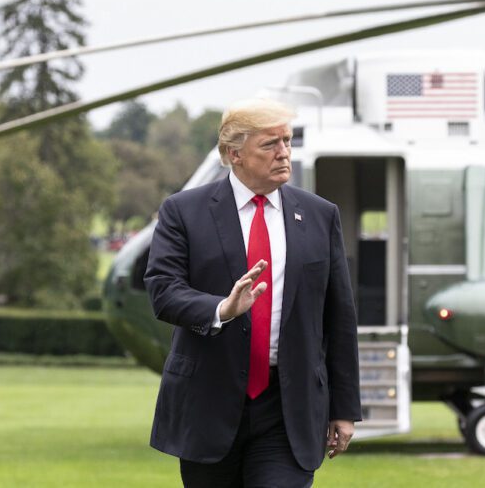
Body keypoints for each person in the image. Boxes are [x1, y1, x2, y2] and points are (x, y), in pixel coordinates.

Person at [144, 98, 361, 487]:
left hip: (287, 408)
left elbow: (338, 317)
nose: (284, 153)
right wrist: (222, 309)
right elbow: (163, 289)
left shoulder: (319, 215)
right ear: (234, 154)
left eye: (287, 141)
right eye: (270, 144)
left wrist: (344, 408)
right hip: (208, 403)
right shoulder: (183, 211)